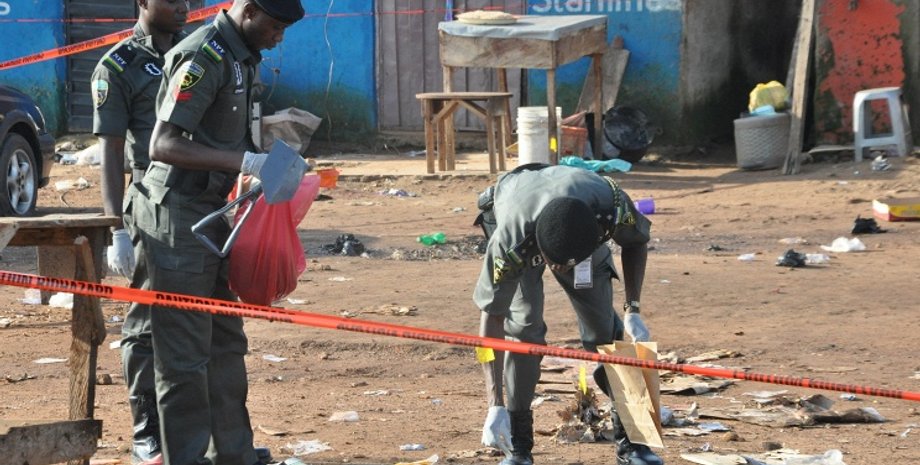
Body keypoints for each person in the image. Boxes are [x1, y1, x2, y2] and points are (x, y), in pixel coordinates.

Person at [132, 1, 304, 464]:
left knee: (226, 339)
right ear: (248, 12)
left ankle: (233, 453)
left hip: (215, 214)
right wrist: (245, 162)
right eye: (275, 26)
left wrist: (268, 156)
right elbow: (163, 145)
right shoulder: (203, 56)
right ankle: (186, 458)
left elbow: (226, 136)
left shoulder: (241, 57)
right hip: (177, 219)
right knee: (184, 353)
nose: (279, 37)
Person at [473, 164, 663, 465]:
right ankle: (519, 445)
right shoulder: (510, 244)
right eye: (558, 264)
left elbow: (637, 242)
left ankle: (636, 442)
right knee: (523, 333)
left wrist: (633, 309)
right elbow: (491, 319)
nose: (562, 270)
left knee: (605, 332)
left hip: (581, 222)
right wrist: (493, 404)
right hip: (522, 221)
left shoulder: (609, 207)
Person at [91, 1, 189, 463]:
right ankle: (146, 431)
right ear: (143, 4)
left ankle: (196, 433)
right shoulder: (118, 66)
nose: (183, 7)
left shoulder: (195, 51)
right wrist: (117, 229)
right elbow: (110, 151)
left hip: (201, 201)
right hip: (150, 203)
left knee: (198, 319)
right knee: (146, 323)